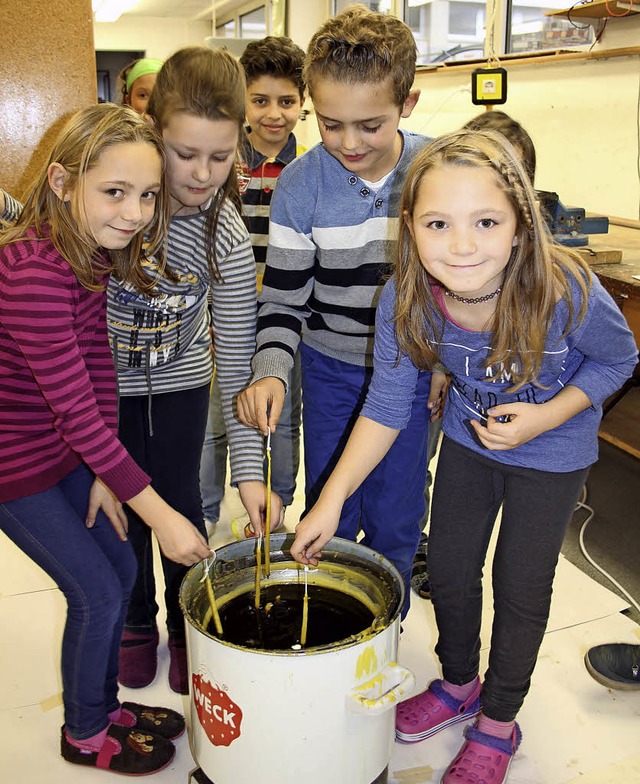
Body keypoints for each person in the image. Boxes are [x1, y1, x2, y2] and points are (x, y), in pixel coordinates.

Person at [290, 129, 638, 783]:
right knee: (448, 571)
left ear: (520, 224)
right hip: (468, 443)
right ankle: (458, 684)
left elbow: (620, 358)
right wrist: (331, 499)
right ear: (410, 227)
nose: (462, 244)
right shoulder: (408, 297)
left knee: (520, 587)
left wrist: (549, 413)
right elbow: (388, 407)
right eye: (438, 223)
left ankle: (499, 723)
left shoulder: (565, 288)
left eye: (486, 221)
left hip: (555, 451)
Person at [0, 103, 212, 776]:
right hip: (13, 469)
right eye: (114, 192)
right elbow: (77, 413)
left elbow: (98, 373)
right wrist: (163, 514)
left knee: (120, 572)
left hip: (59, 454)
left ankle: (106, 702)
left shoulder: (85, 255)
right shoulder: (32, 273)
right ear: (63, 183)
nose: (135, 212)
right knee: (94, 590)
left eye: (148, 194)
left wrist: (101, 472)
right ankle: (85, 734)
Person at [237, 5, 443, 615]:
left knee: (398, 510)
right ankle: (330, 619)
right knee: (331, 500)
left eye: (370, 125)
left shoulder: (440, 170)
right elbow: (284, 297)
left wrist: (448, 364)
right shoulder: (300, 185)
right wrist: (272, 368)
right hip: (329, 370)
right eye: (330, 125)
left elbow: (466, 289)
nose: (349, 143)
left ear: (407, 103)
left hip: (410, 374)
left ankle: (385, 629)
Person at [109, 46, 282, 695]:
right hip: (104, 393)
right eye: (186, 154)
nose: (204, 173)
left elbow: (237, 368)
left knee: (180, 505)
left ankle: (185, 628)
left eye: (220, 154)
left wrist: (247, 474)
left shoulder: (228, 241)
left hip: (182, 389)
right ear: (153, 131)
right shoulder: (117, 205)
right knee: (120, 511)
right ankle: (132, 623)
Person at [411, 110, 539, 600]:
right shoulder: (430, 282)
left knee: (522, 567)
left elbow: (609, 359)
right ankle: (429, 548)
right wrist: (443, 368)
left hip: (537, 443)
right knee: (440, 489)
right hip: (463, 417)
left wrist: (553, 414)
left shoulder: (546, 278)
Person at [199, 35, 306, 534]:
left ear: (303, 103)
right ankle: (200, 512)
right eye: (260, 100)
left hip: (285, 325)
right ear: (242, 99)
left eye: (287, 101)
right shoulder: (220, 165)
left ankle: (274, 508)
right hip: (221, 321)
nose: (273, 114)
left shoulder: (309, 170)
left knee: (280, 420)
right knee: (214, 422)